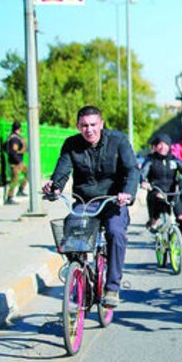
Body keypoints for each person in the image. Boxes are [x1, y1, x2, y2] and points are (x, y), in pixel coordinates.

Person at [43, 106, 138, 308]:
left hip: (114, 201)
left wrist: (127, 193)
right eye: (84, 125)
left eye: (93, 124)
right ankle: (81, 278)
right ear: (78, 126)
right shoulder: (71, 144)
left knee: (115, 233)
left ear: (101, 124)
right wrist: (54, 187)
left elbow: (132, 170)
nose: (89, 130)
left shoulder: (118, 140)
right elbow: (62, 171)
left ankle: (112, 287)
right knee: (69, 235)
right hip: (85, 202)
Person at [140, 134, 182, 239]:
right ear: (155, 146)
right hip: (156, 192)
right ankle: (154, 220)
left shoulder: (174, 160)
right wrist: (143, 182)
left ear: (169, 146)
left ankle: (180, 243)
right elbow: (143, 173)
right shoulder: (150, 160)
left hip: (173, 194)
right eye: (160, 144)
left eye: (165, 144)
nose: (163, 147)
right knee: (158, 200)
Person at [4, 121, 28, 204]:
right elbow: (13, 151)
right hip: (16, 162)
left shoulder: (12, 136)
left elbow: (5, 147)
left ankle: (20, 190)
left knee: (28, 173)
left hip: (18, 161)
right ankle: (9, 198)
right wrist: (17, 161)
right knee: (15, 180)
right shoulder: (14, 139)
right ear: (19, 128)